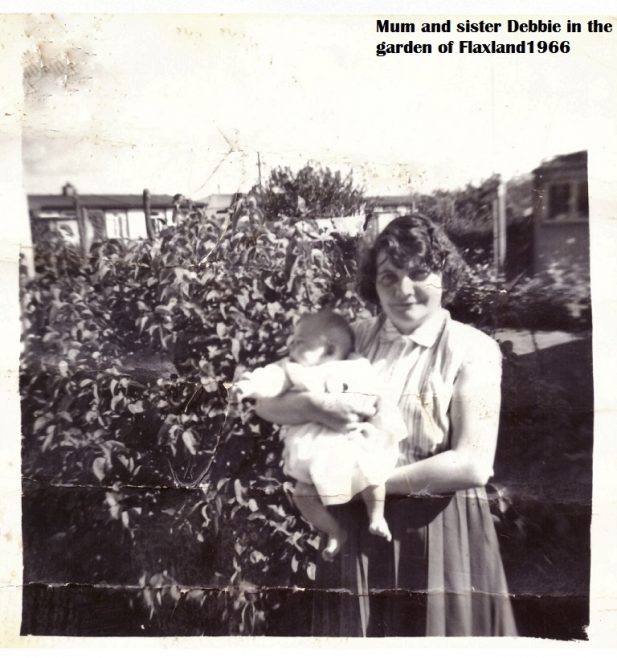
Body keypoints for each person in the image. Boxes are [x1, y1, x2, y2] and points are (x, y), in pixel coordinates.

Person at [255, 214, 518, 636]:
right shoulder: (351, 338)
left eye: (419, 273)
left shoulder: (473, 349)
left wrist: (366, 483)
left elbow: (473, 464)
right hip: (356, 533)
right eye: (389, 277)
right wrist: (317, 408)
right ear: (372, 284)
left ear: (444, 275)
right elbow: (267, 403)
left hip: (435, 532)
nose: (404, 290)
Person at [234, 309, 407, 559]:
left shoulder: (355, 366)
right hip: (314, 454)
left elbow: (375, 395)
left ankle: (377, 516)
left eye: (300, 341)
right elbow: (270, 380)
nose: (290, 344)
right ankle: (334, 531)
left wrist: (377, 419)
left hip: (350, 445)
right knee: (302, 495)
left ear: (328, 350)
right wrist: (248, 385)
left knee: (372, 475)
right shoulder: (293, 370)